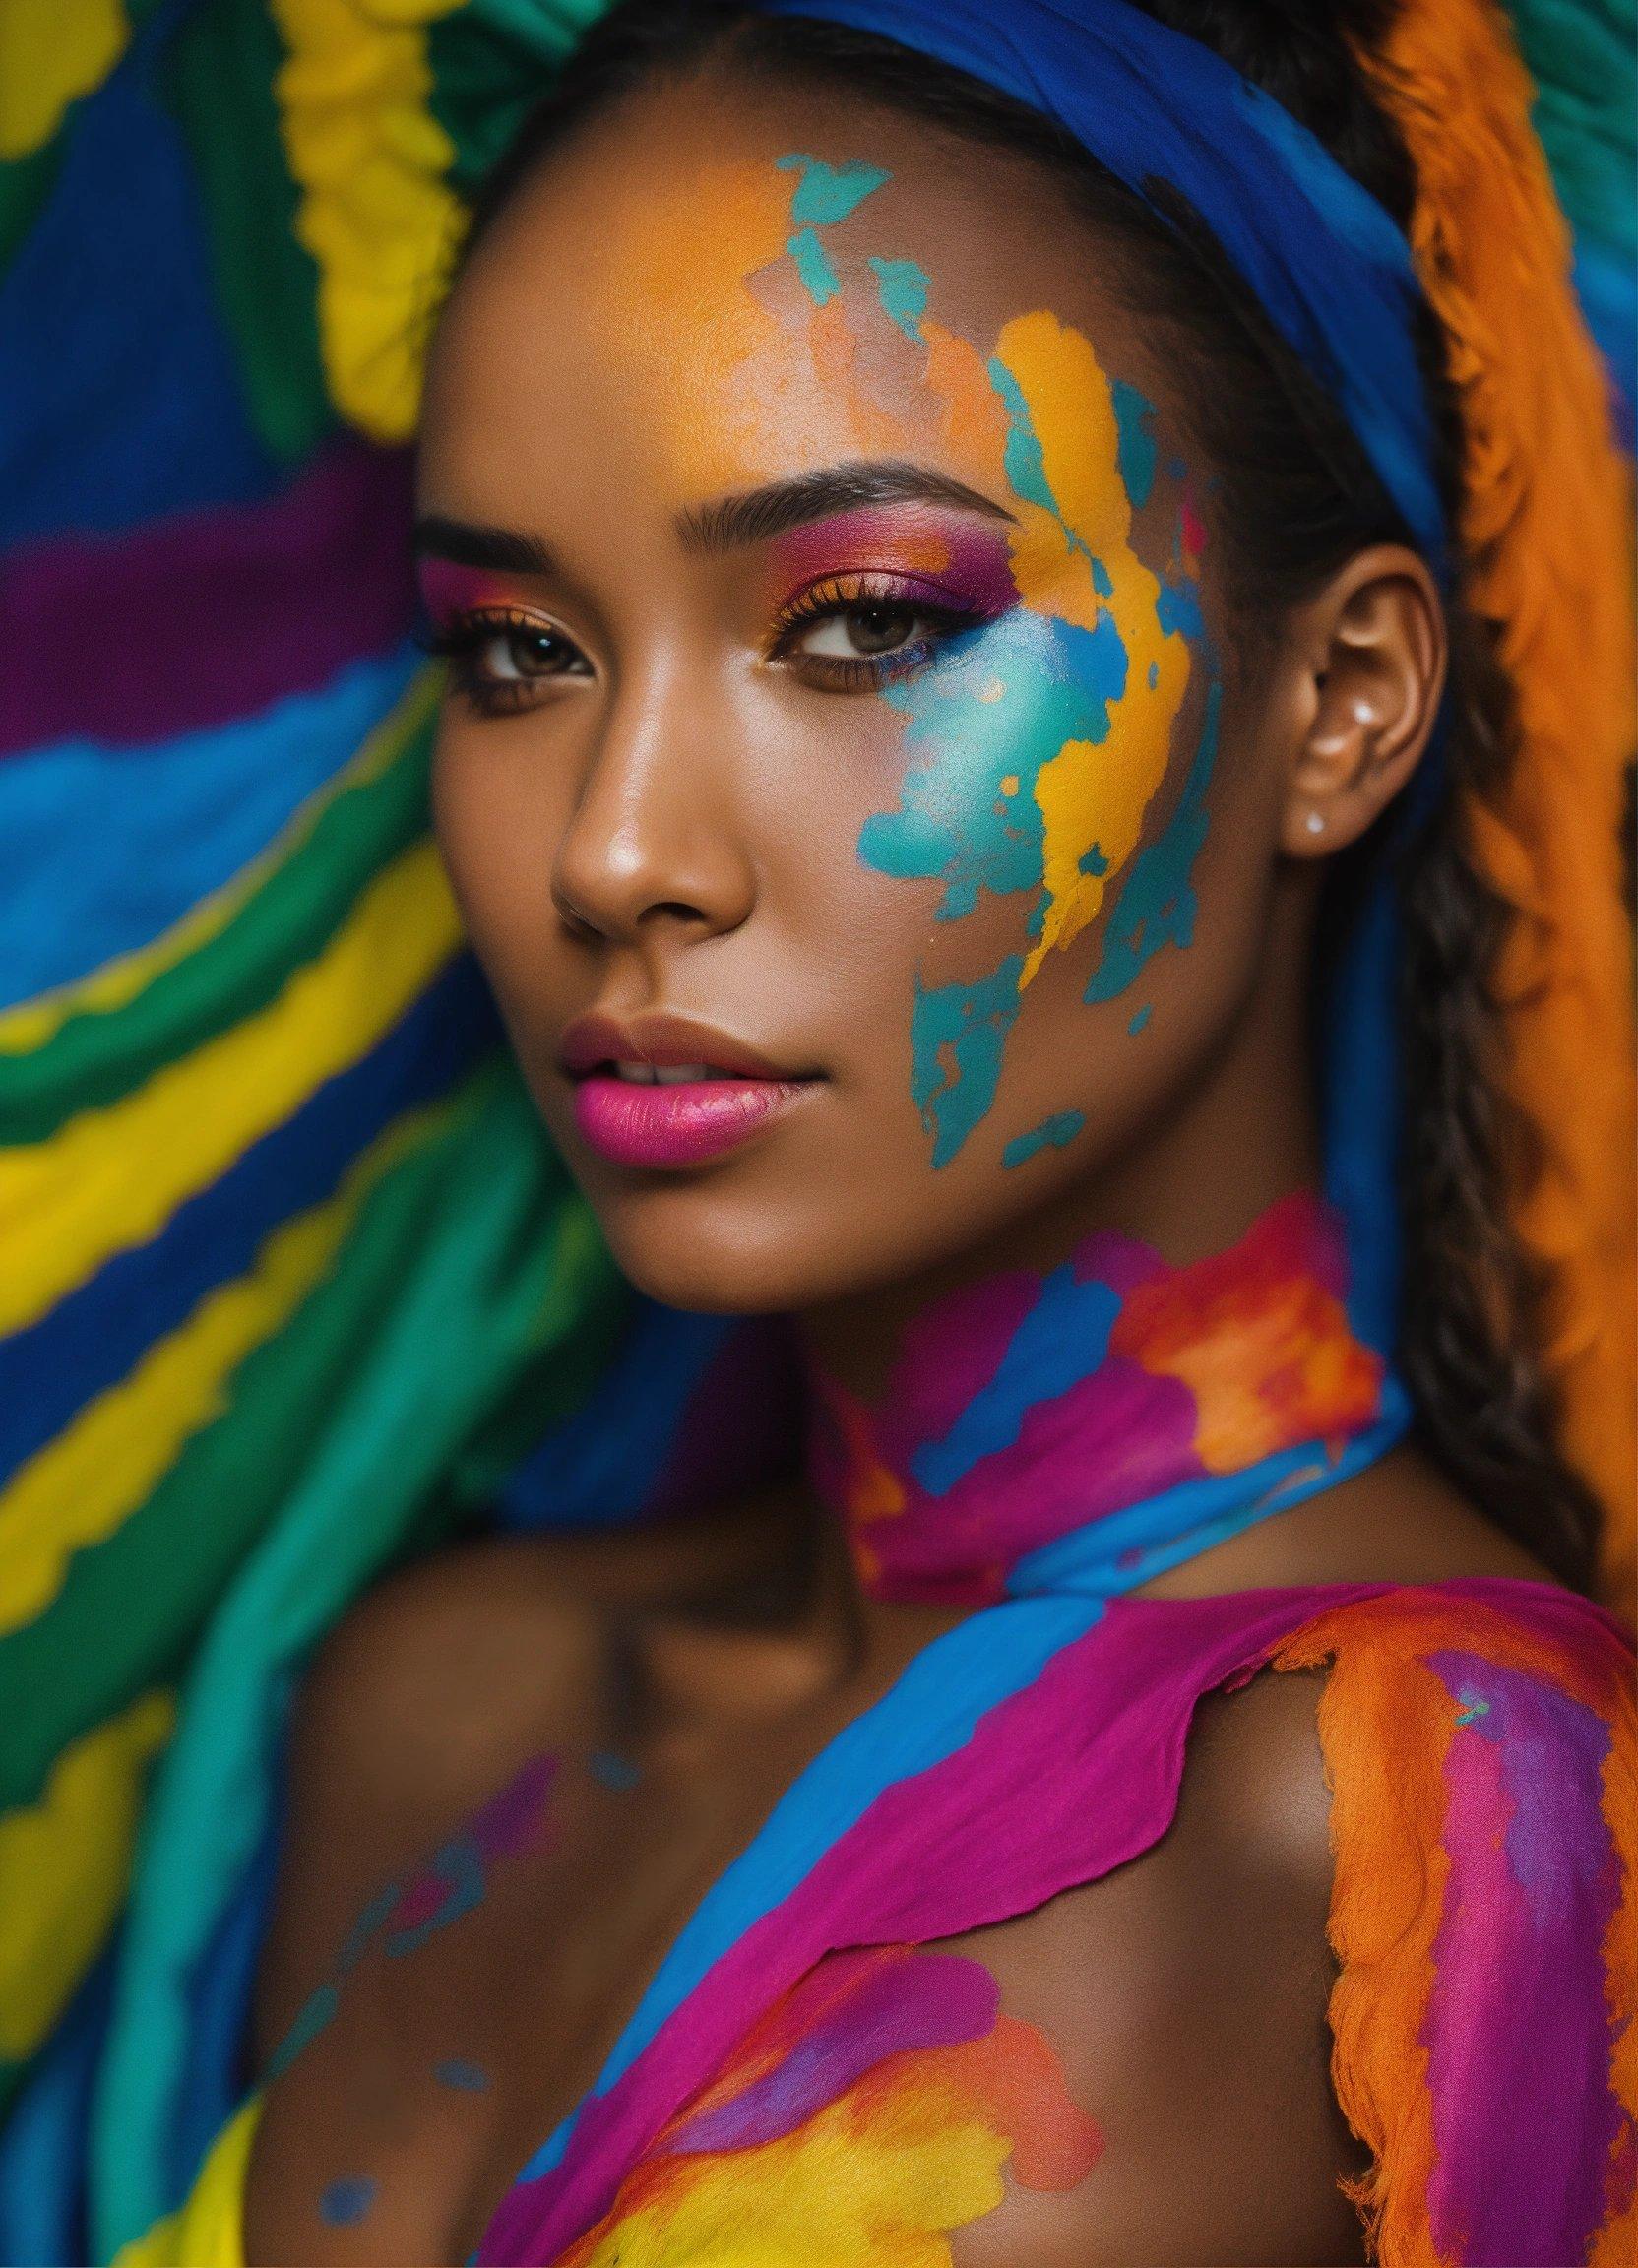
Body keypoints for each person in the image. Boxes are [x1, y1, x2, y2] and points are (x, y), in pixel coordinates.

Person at [57, 0, 1638, 2261]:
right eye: (518, 654)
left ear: (1340, 702)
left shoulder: (1435, 1837)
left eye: (866, 624)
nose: (612, 852)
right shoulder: (427, 1713)